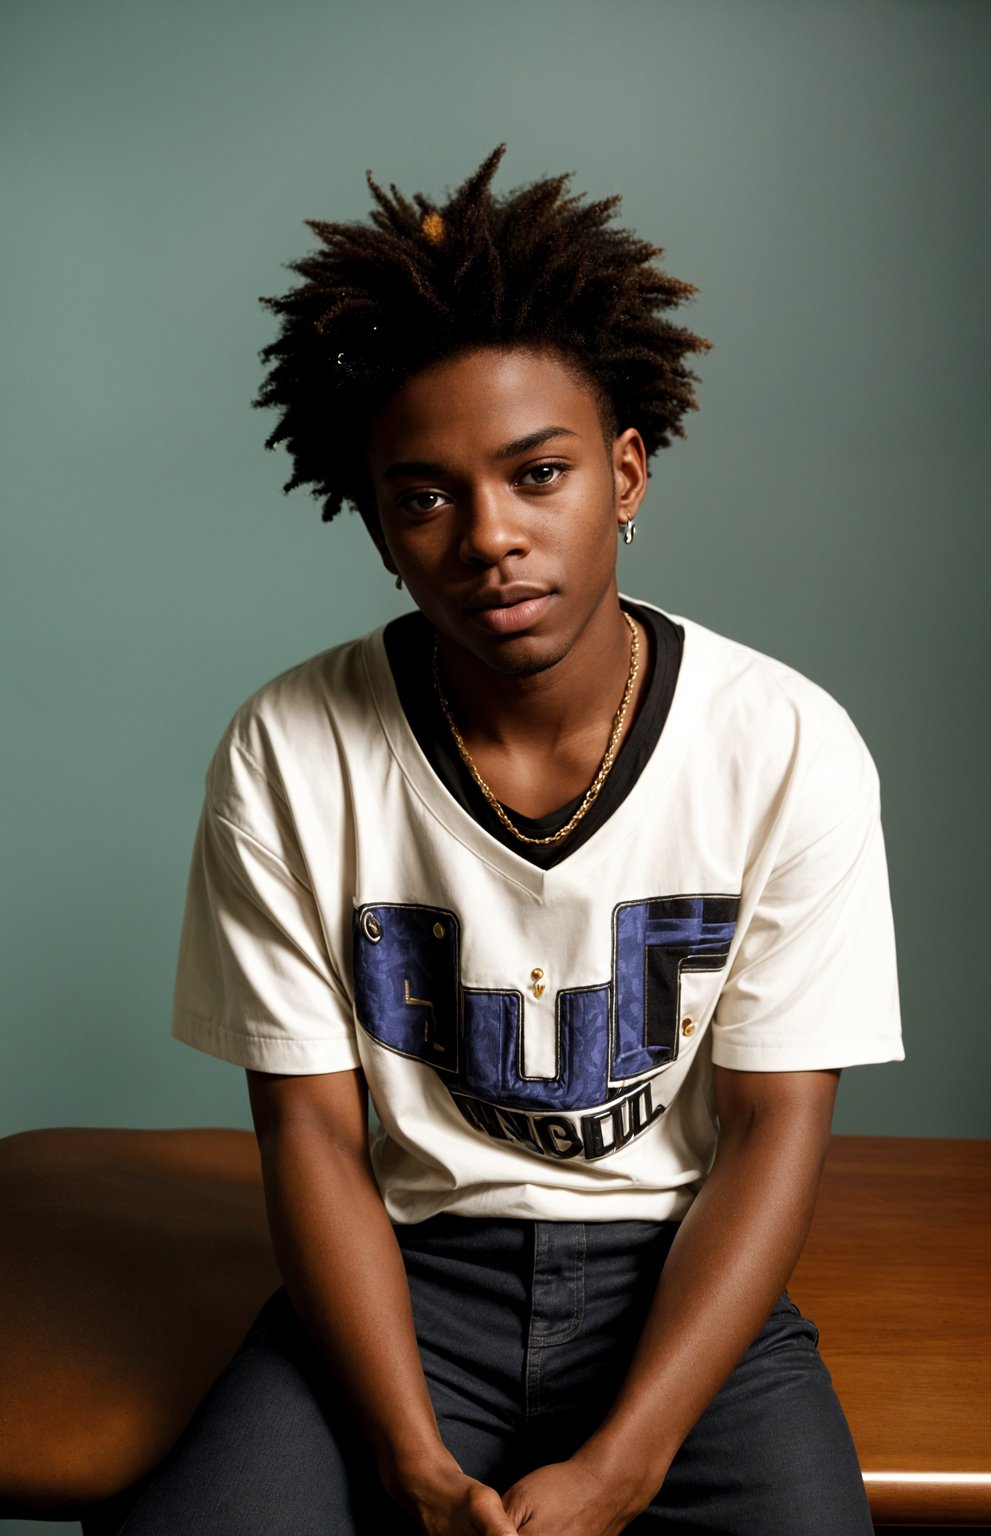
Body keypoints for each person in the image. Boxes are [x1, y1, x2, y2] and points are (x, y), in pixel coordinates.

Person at [122, 146, 903, 1535]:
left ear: (624, 475)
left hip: (682, 1287)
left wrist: (626, 1465)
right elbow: (309, 1132)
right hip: (410, 1284)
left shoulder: (783, 741)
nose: (489, 536)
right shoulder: (292, 748)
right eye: (425, 496)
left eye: (537, 475)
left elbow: (778, 1127)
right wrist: (413, 1464)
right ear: (377, 529)